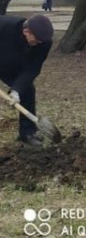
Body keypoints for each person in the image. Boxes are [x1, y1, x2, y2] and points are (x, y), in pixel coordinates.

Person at [0, 14, 54, 146]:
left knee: (27, 90)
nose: (38, 44)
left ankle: (27, 132)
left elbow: (33, 68)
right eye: (35, 41)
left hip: (10, 66)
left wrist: (16, 90)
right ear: (26, 32)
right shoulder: (5, 25)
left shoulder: (44, 42)